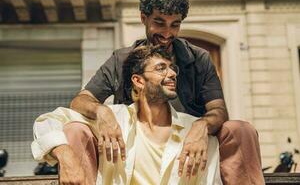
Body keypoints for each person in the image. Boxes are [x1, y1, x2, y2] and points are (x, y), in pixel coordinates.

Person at [33, 0, 264, 184]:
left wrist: (201, 128)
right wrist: (100, 112)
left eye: (175, 25)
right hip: (131, 153)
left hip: (190, 150)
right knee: (76, 129)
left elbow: (218, 110)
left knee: (239, 130)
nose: (167, 33)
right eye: (159, 23)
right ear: (143, 17)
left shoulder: (199, 58)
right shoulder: (122, 61)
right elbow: (79, 101)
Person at [32, 45, 223, 185]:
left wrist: (203, 127)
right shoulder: (114, 121)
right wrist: (66, 156)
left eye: (173, 68)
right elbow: (47, 121)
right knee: (74, 128)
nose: (172, 73)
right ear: (138, 81)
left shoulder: (195, 132)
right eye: (161, 68)